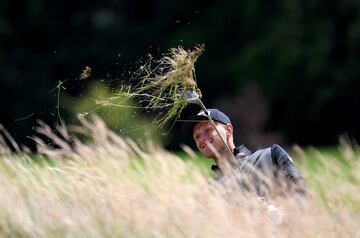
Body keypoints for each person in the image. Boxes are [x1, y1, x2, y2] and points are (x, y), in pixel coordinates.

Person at [183, 108, 306, 200]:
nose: (202, 138)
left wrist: (277, 213)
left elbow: (301, 195)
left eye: (208, 130)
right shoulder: (209, 192)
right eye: (197, 136)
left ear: (228, 130)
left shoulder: (270, 155)